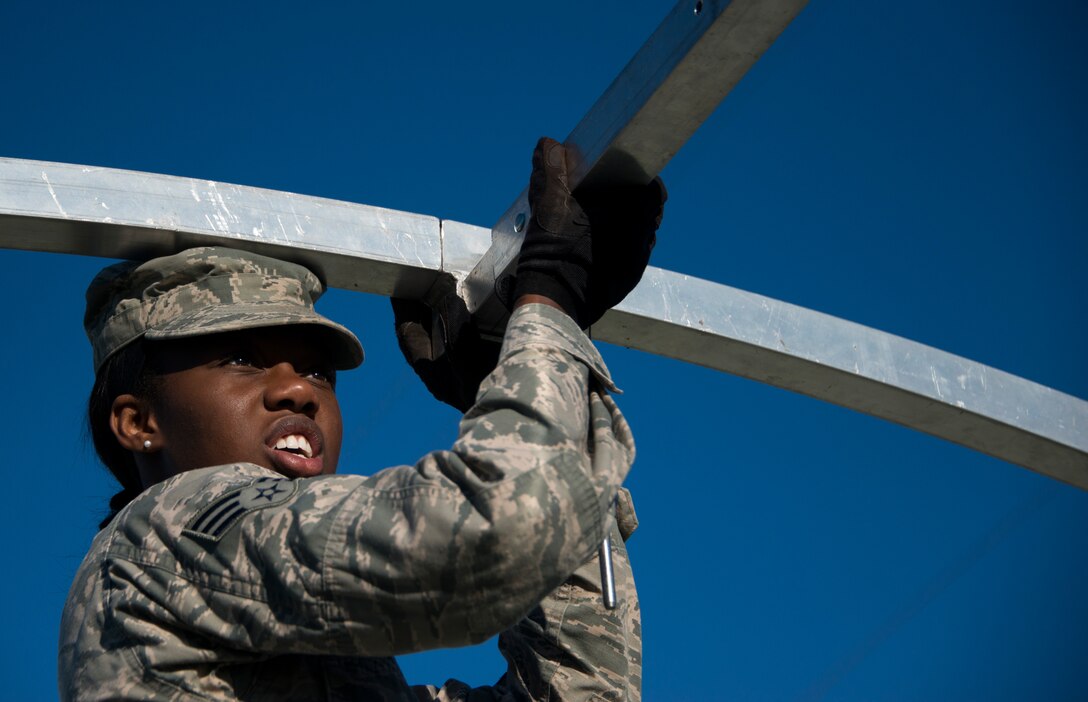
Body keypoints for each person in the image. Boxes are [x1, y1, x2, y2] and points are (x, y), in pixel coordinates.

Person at [58, 137, 666, 701]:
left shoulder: (282, 621)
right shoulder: (169, 534)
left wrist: (521, 372)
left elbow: (582, 689)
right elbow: (495, 534)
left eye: (320, 373)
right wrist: (547, 311)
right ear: (139, 423)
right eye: (243, 359)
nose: (298, 389)